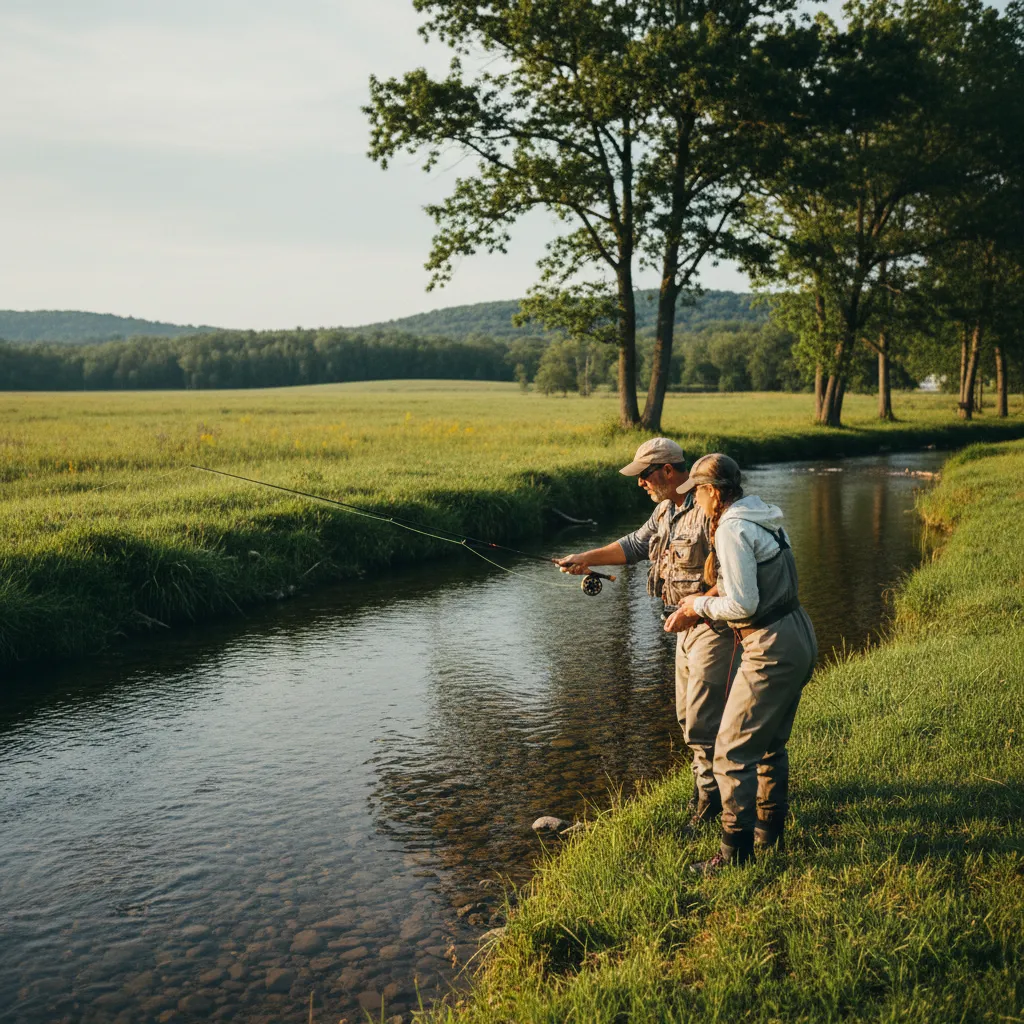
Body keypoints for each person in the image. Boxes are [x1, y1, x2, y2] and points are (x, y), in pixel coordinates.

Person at [556, 438, 735, 824]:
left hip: (712, 628)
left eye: (645, 475)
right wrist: (585, 558)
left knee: (704, 721)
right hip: (682, 628)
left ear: (668, 471)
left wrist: (694, 611)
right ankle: (705, 797)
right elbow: (634, 545)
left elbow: (731, 579)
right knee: (688, 720)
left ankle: (710, 809)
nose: (641, 483)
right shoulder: (664, 512)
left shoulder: (708, 508)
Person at [665, 453, 818, 874]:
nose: (694, 501)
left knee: (731, 753)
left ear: (713, 492)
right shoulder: (761, 516)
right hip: (798, 633)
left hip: (770, 645)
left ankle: (734, 855)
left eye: (696, 492)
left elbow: (744, 603)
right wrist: (703, 600)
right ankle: (769, 834)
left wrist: (697, 603)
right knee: (769, 744)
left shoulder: (732, 529)